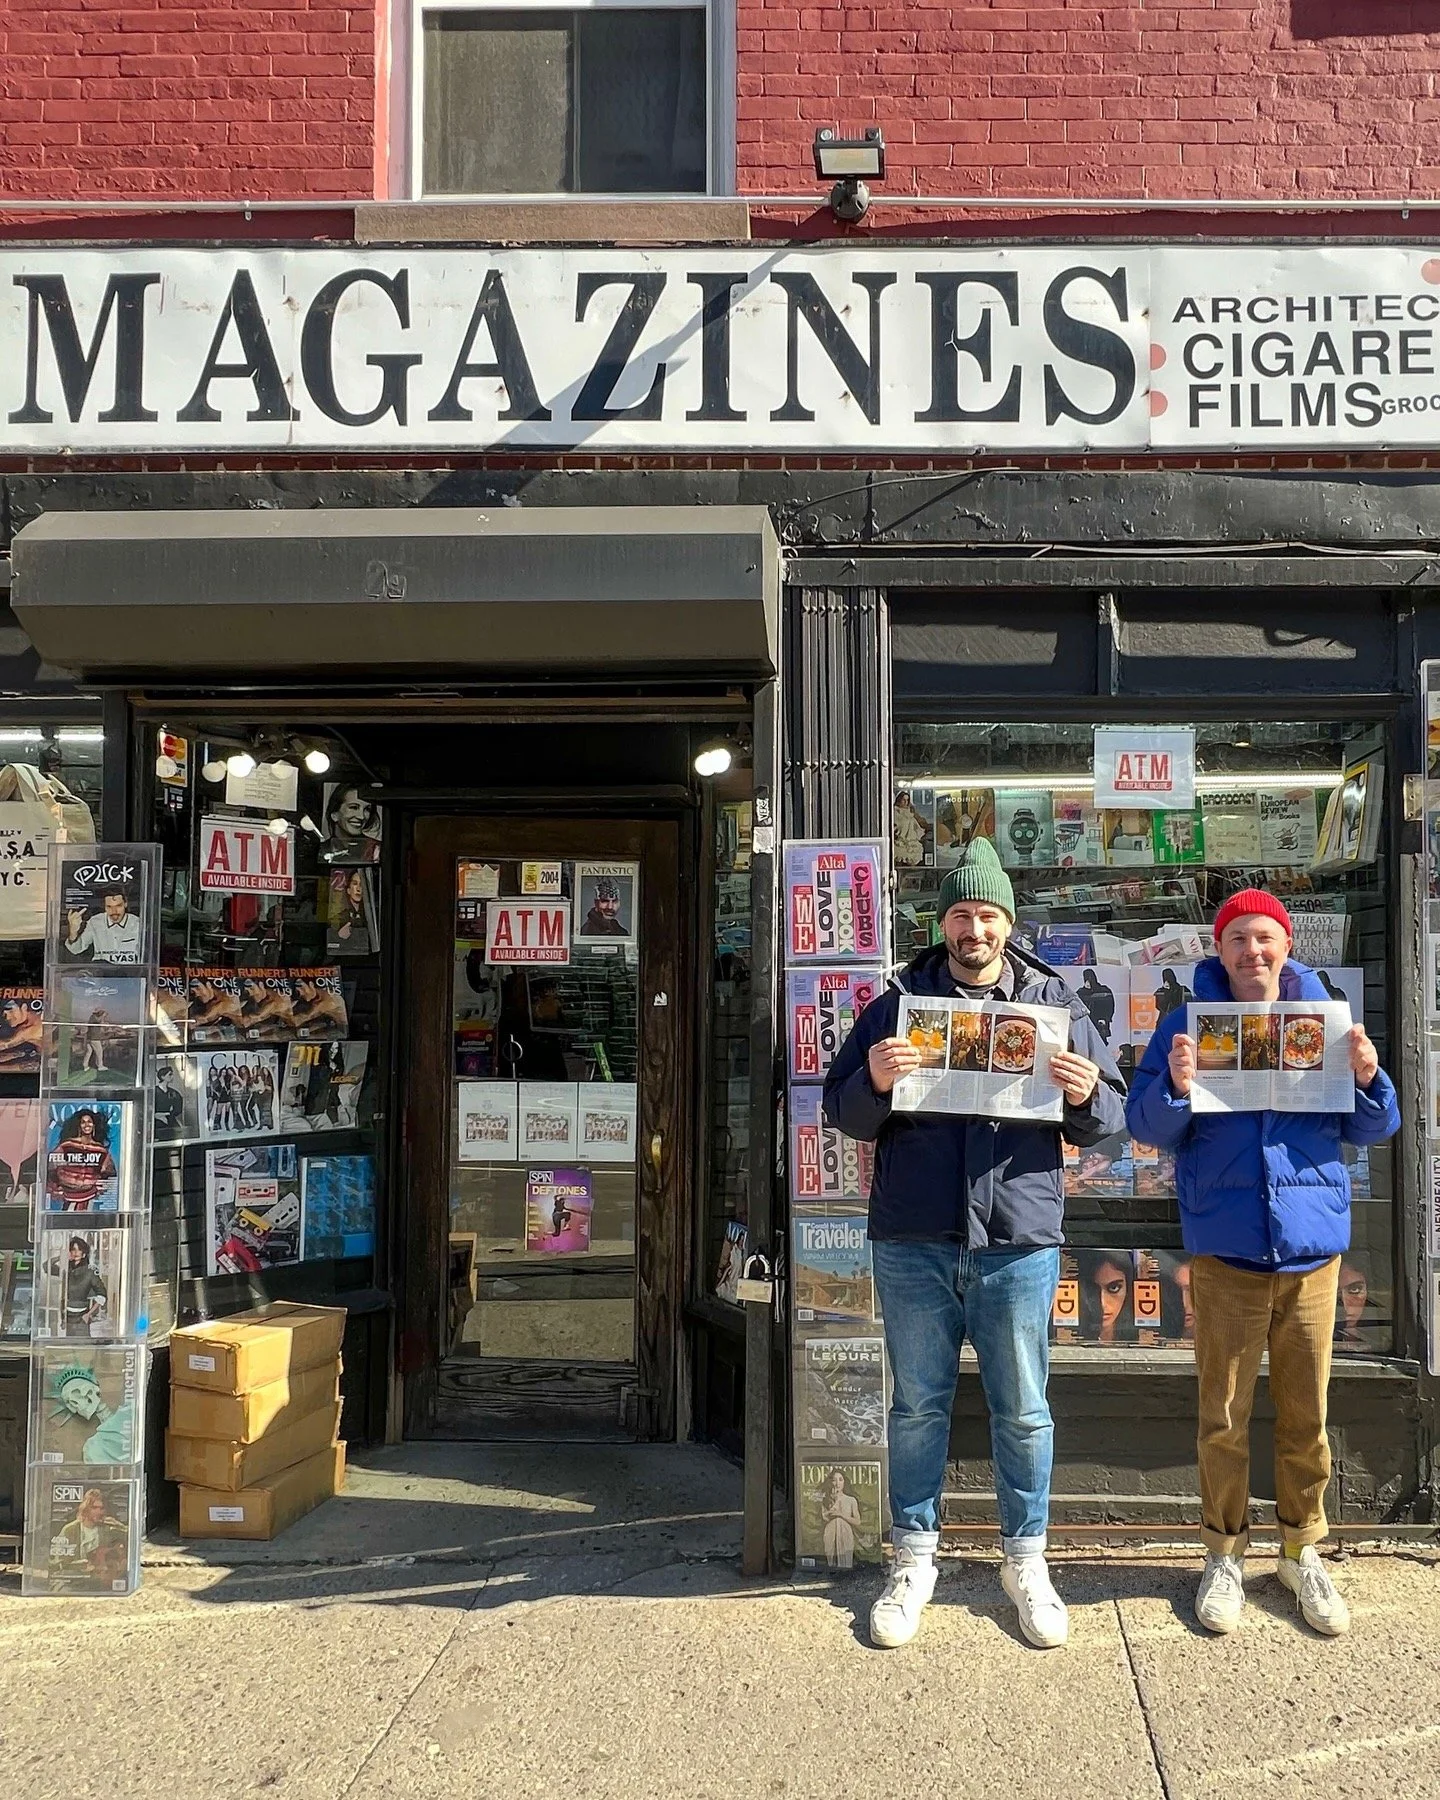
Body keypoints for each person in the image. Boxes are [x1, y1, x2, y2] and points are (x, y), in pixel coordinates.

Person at [823, 838, 1126, 1650]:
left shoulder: (1053, 1002)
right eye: (961, 912)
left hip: (1016, 1240)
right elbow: (840, 1110)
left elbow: (1112, 1122)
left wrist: (1088, 1093)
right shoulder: (895, 1002)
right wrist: (874, 1083)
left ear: (1008, 922)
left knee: (1023, 1412)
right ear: (943, 922)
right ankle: (913, 1557)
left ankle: (1026, 1561)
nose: (974, 927)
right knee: (917, 1406)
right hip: (913, 1239)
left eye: (988, 913)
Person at [1126, 888, 1399, 1638]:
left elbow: (1376, 1126)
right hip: (1226, 1249)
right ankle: (1223, 1555)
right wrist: (1177, 1087)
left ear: (1286, 946)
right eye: (1238, 939)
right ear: (1219, 951)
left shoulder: (1326, 1019)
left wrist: (1371, 1078)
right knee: (1223, 1416)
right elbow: (1145, 1124)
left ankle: (1301, 1550)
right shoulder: (1187, 1025)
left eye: (1264, 938)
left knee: (1307, 1417)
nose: (1252, 951)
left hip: (1312, 1252)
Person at [46, 1109, 117, 1211]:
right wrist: (56, 1188)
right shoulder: (67, 1145)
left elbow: (109, 1174)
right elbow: (51, 1168)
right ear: (78, 1126)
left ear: (94, 1126)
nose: (86, 1125)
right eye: (83, 1122)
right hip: (68, 1196)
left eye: (89, 1122)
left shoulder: (101, 1150)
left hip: (90, 1197)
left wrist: (98, 1189)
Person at [47, 1235, 109, 1335]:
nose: (75, 1253)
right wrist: (60, 1257)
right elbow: (46, 1266)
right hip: (67, 1316)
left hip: (82, 1316)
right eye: (73, 1249)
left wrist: (89, 1314)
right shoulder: (66, 1270)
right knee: (70, 1347)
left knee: (83, 1345)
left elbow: (102, 1295)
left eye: (79, 1250)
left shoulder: (90, 1272)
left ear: (84, 1253)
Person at [65, 886, 141, 963]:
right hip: (100, 972)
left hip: (130, 972)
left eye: (118, 906)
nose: (114, 911)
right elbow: (76, 949)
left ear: (125, 904)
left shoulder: (138, 924)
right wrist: (73, 931)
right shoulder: (95, 922)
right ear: (104, 907)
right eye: (109, 906)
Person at [322, 785, 381, 863]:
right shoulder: (320, 851)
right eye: (354, 807)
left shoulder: (377, 850)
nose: (361, 816)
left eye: (367, 809)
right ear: (334, 814)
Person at [0, 994, 42, 1067]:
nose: (7, 1016)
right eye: (3, 1014)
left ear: (24, 1007)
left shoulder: (33, 1026)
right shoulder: (21, 1028)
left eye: (10, 1010)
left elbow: (6, 1044)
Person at [1076, 968, 1115, 1044]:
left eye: (1090, 979)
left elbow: (1110, 1006)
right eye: (1086, 979)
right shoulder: (1081, 992)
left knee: (1101, 1042)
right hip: (1087, 1023)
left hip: (1100, 1022)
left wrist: (1105, 1018)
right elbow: (1077, 1005)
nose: (1088, 982)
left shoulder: (1104, 990)